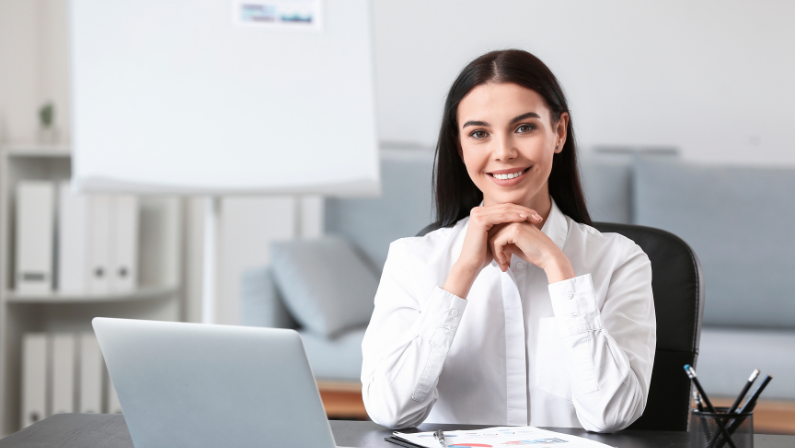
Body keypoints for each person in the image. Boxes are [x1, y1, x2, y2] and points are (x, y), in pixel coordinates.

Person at [360, 49, 656, 432]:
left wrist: (560, 271)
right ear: (460, 145)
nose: (503, 152)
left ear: (559, 132)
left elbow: (612, 414)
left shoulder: (619, 260)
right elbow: (390, 411)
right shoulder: (412, 260)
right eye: (480, 133)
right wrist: (461, 276)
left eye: (524, 128)